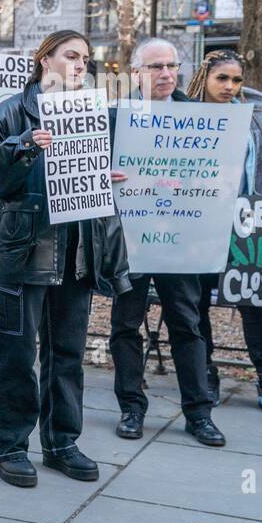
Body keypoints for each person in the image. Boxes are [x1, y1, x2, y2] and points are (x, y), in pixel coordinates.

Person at [0, 31, 130, 487]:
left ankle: (62, 441)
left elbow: (92, 173)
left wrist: (108, 176)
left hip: (77, 252)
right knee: (17, 351)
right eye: (71, 56)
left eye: (85, 58)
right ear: (46, 60)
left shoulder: (94, 112)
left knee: (68, 353)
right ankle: (11, 445)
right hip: (24, 250)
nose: (80, 64)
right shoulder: (10, 111)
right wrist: (23, 145)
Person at [109, 38, 224, 446]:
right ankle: (131, 408)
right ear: (136, 72)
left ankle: (199, 413)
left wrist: (194, 180)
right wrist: (107, 176)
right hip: (130, 237)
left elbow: (218, 175)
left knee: (187, 323)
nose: (166, 73)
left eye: (172, 65)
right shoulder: (117, 116)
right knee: (125, 324)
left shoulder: (198, 116)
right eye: (156, 66)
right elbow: (92, 169)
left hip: (180, 237)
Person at [187, 50, 262, 415]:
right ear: (206, 78)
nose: (230, 86)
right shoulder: (182, 118)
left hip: (245, 227)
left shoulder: (257, 123)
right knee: (197, 302)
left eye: (236, 80)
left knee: (253, 303)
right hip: (197, 226)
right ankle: (205, 374)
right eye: (223, 79)